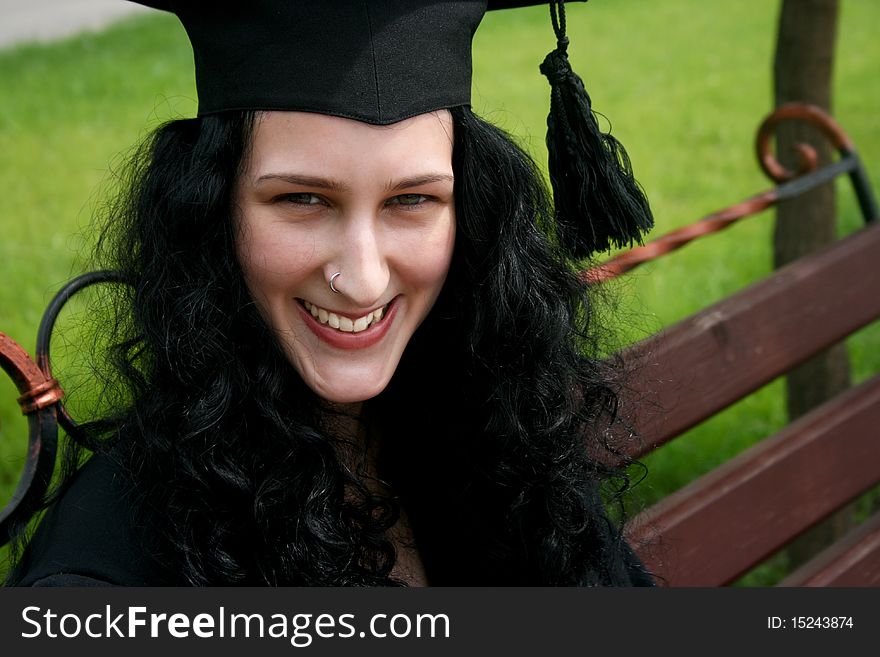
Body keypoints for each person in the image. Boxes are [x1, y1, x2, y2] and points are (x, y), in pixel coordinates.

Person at [6, 0, 654, 586]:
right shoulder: (109, 574)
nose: (364, 277)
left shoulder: (494, 443)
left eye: (412, 200)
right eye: (304, 199)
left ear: (473, 215)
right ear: (211, 214)